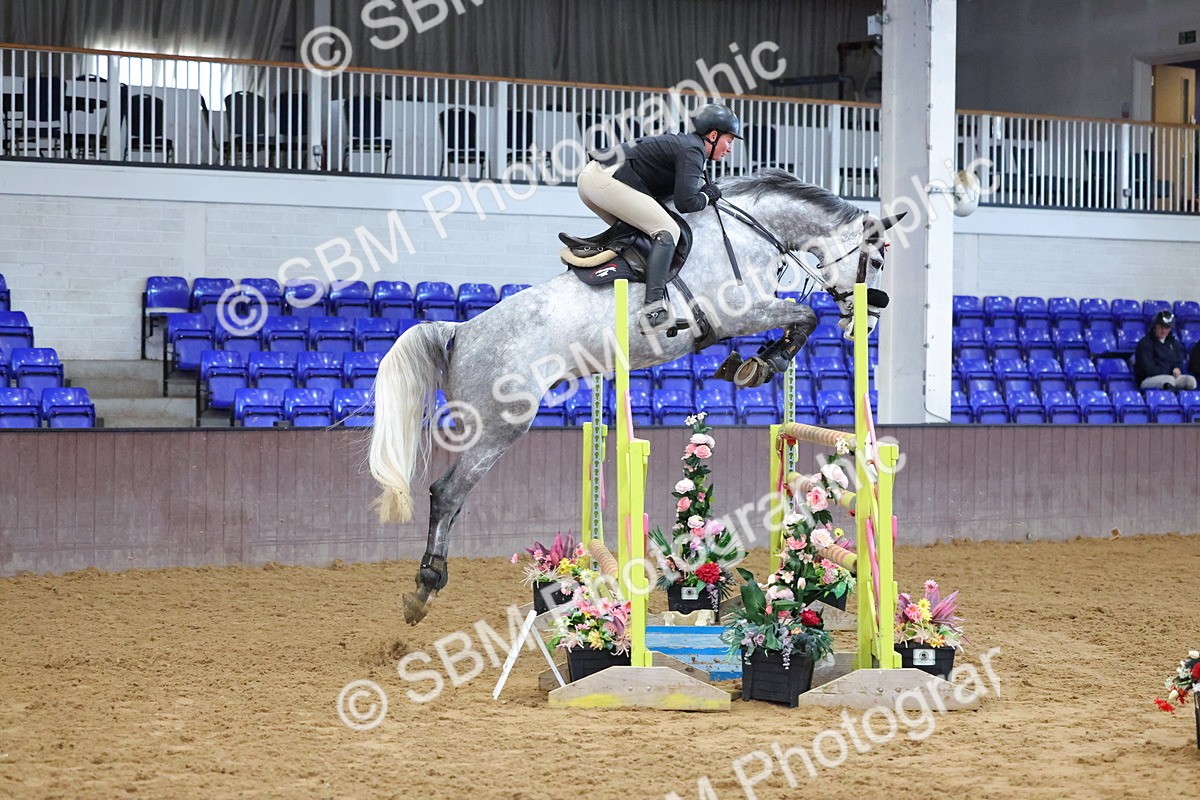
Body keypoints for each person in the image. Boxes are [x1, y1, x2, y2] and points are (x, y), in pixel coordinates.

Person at [575, 104, 742, 330]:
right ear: (713, 136)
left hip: (593, 179)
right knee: (668, 231)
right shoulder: (693, 151)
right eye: (729, 141)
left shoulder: (687, 147)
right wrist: (708, 193)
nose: (729, 149)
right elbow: (687, 203)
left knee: (646, 235)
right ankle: (653, 310)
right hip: (604, 179)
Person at [1133, 310, 1197, 390]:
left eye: (1167, 328)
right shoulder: (1145, 343)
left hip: (1171, 376)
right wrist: (1170, 370)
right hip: (1149, 378)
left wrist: (1177, 369)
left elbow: (1179, 361)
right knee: (1169, 380)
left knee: (1191, 381)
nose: (1163, 331)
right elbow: (1149, 369)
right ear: (1155, 326)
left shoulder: (1173, 343)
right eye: (1161, 327)